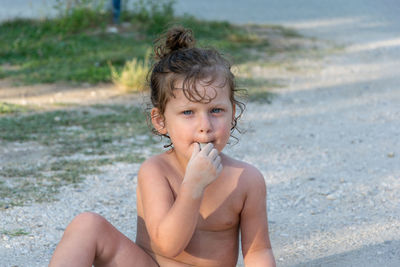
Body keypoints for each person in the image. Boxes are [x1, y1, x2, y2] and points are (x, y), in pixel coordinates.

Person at [49, 26, 276, 267]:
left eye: (216, 111)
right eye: (188, 112)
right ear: (161, 121)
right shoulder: (156, 171)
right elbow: (168, 245)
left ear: (233, 114)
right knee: (87, 224)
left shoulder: (247, 180)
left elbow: (258, 251)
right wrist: (193, 186)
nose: (204, 126)